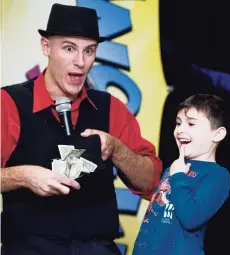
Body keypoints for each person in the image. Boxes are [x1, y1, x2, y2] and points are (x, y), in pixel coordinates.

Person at [0, 4, 162, 255]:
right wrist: (24, 176)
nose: (80, 62)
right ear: (46, 47)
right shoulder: (9, 103)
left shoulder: (111, 107)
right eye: (68, 48)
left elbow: (151, 183)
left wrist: (116, 149)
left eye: (89, 51)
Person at [133, 94, 230, 255]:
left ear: (217, 134)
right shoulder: (173, 169)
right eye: (178, 123)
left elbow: (191, 218)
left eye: (191, 124)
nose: (180, 130)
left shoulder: (218, 175)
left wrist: (178, 176)